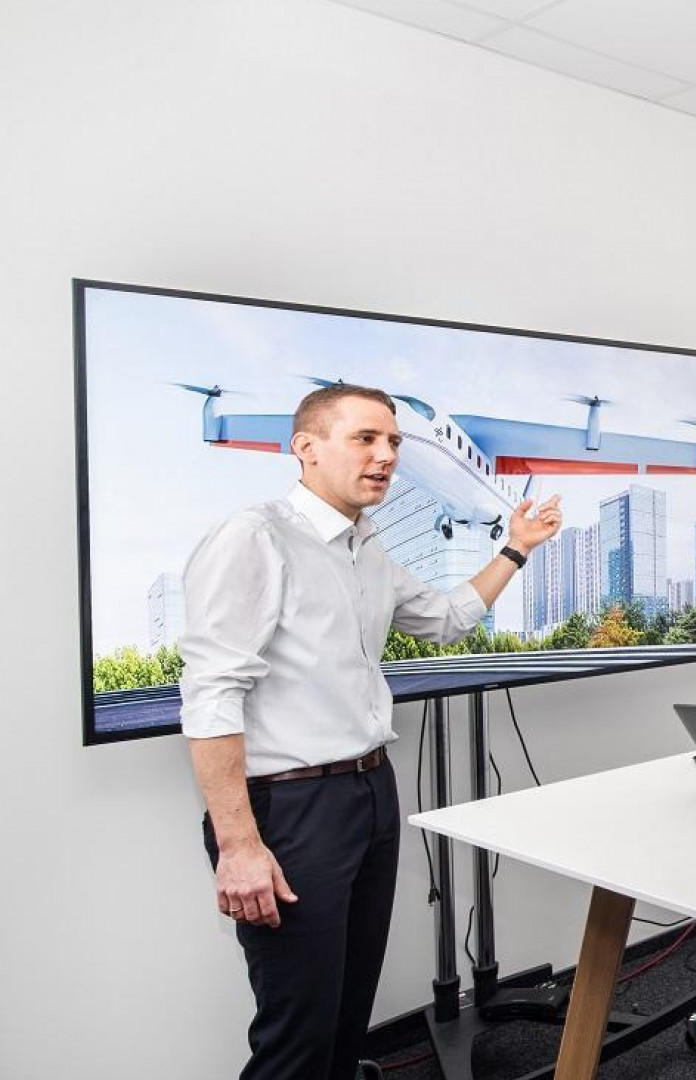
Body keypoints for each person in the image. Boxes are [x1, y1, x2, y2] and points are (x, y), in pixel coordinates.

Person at [179, 384, 562, 1080]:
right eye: (365, 439)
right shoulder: (254, 536)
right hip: (292, 810)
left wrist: (517, 548)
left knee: (344, 1022)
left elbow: (445, 619)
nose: (386, 455)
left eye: (393, 442)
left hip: (369, 794)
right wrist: (237, 844)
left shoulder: (366, 548)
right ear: (306, 447)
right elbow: (211, 694)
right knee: (296, 1037)